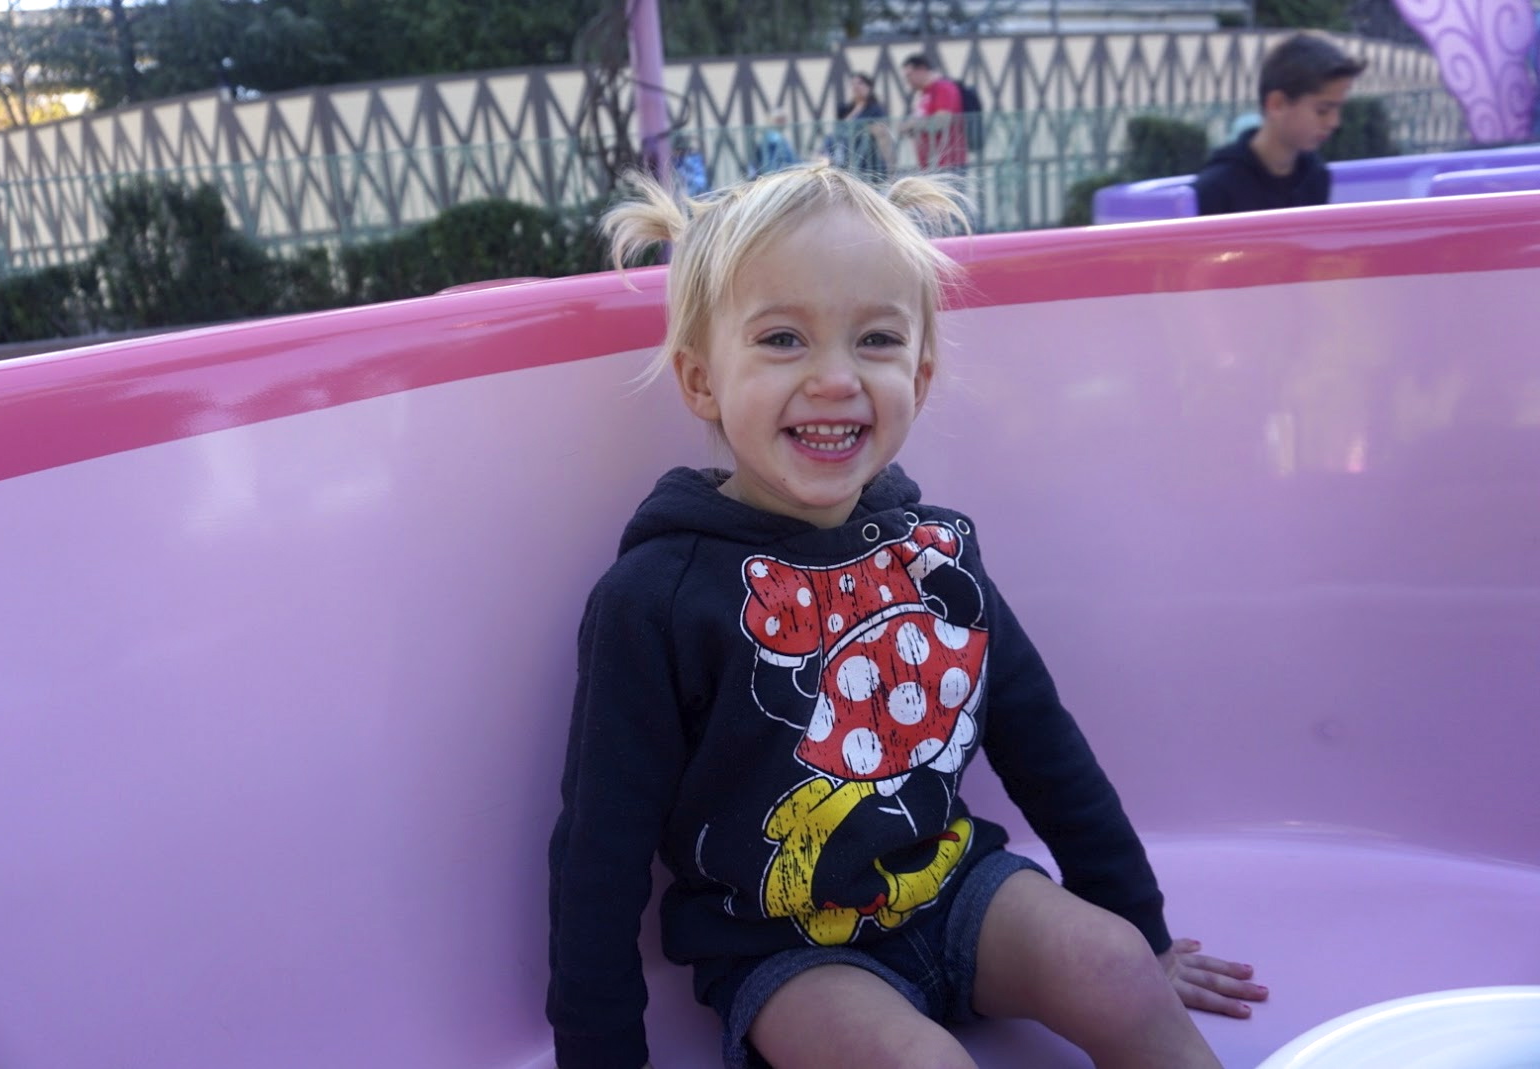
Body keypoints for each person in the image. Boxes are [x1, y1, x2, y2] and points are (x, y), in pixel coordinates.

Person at [546, 162, 1267, 1069]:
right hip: (787, 954)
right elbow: (599, 856)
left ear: (919, 378)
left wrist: (1145, 931)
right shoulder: (654, 598)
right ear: (701, 380)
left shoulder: (938, 554)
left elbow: (1045, 748)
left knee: (1116, 967)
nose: (835, 378)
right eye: (782, 339)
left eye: (876, 339)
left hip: (956, 889)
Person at [1194, 33, 1367, 215]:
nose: (1334, 122)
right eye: (1322, 110)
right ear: (1276, 104)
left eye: (1338, 109)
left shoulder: (1316, 175)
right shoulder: (1215, 188)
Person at [900, 53, 966, 173]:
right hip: (932, 163)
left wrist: (913, 124)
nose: (907, 81)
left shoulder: (943, 88)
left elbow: (941, 121)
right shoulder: (923, 93)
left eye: (909, 75)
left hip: (947, 162)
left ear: (921, 70)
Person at [835, 72, 893, 180]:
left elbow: (881, 132)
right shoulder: (847, 108)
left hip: (868, 155)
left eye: (860, 83)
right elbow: (842, 126)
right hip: (850, 153)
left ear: (869, 86)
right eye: (853, 84)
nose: (856, 87)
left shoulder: (875, 108)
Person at [751, 109, 799, 178]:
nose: (782, 123)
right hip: (776, 174)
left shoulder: (770, 137)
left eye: (783, 120)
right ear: (771, 121)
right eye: (779, 121)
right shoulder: (776, 138)